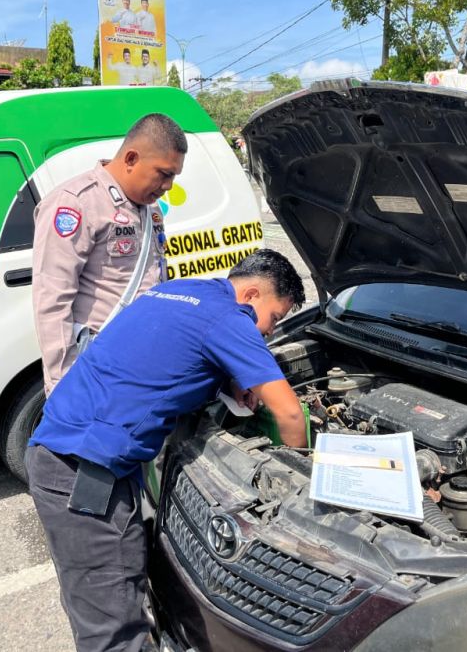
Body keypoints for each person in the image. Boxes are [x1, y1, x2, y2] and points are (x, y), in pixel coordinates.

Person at [26, 249, 308, 652]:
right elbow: (291, 414)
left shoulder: (178, 291)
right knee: (113, 628)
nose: (270, 332)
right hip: (83, 476)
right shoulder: (230, 318)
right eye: (274, 319)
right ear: (250, 295)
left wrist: (229, 381)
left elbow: (168, 353)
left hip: (67, 453)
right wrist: (297, 480)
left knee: (103, 599)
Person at [31, 113, 186, 395]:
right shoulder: (76, 203)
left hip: (144, 358)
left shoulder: (149, 208)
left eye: (174, 176)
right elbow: (52, 299)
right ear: (131, 159)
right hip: (100, 364)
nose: (168, 186)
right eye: (164, 174)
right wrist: (63, 386)